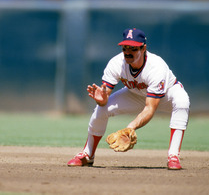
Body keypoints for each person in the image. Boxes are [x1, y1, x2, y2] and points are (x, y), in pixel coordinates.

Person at [67, 28, 190, 170]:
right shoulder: (116, 63)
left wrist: (130, 127)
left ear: (143, 48)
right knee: (101, 109)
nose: (127, 52)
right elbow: (104, 99)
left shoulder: (156, 67)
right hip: (135, 94)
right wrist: (101, 100)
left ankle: (173, 156)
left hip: (167, 94)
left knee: (182, 101)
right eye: (125, 47)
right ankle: (87, 155)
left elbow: (150, 108)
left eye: (133, 48)